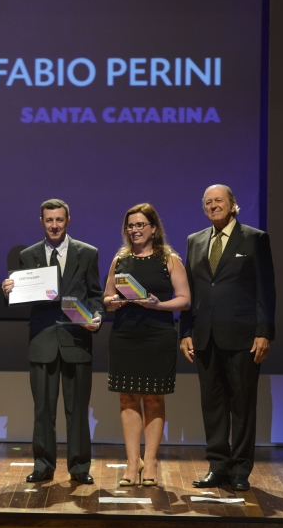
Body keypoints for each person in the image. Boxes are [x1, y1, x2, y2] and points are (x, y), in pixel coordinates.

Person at [180, 184, 276, 492]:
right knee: (213, 405)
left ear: (233, 204)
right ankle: (218, 467)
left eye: (218, 200)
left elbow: (266, 289)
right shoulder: (194, 241)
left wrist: (264, 332)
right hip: (204, 336)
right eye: (208, 202)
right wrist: (185, 332)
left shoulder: (254, 238)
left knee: (243, 406)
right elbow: (190, 291)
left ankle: (240, 470)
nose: (213, 205)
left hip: (243, 337)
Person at [1, 199, 103, 484]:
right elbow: (22, 297)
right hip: (42, 341)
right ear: (41, 222)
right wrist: (8, 291)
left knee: (77, 409)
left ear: (68, 220)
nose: (54, 225)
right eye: (49, 220)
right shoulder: (29, 255)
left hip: (77, 339)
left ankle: (80, 468)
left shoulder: (87, 253)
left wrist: (96, 316)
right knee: (43, 410)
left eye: (59, 220)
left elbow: (95, 295)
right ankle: (43, 465)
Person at [103, 203, 190, 486]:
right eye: (131, 225)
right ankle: (132, 463)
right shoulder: (120, 260)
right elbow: (106, 298)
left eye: (141, 225)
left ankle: (150, 461)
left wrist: (158, 304)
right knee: (127, 398)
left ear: (153, 228)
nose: (135, 230)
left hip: (158, 335)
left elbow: (185, 299)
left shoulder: (169, 259)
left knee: (153, 397)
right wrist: (112, 303)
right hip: (125, 335)